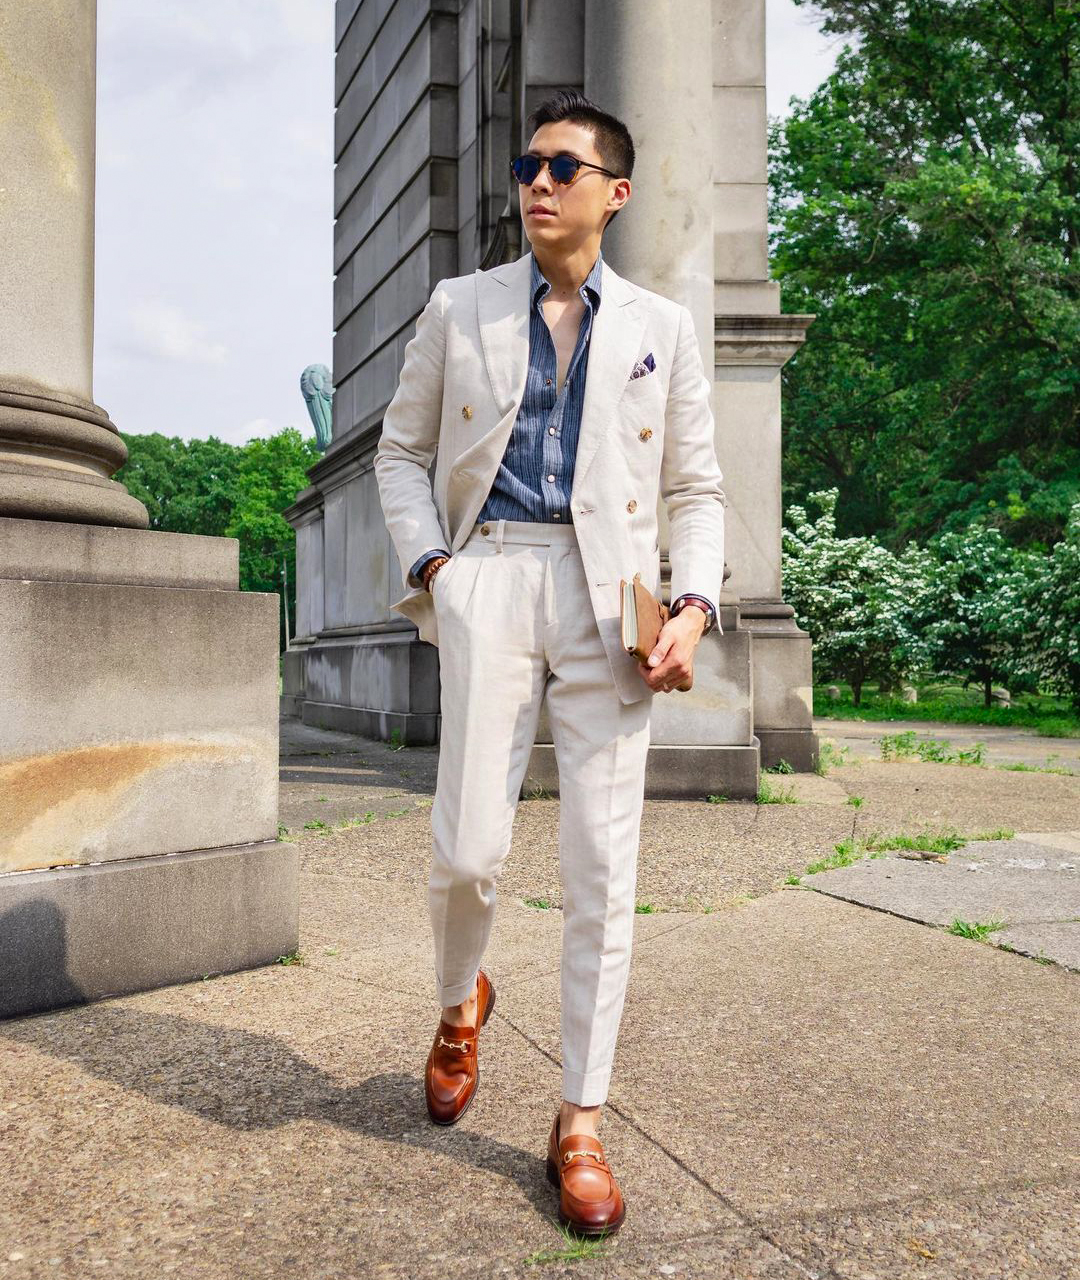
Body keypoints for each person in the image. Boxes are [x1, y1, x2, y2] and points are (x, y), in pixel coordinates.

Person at [373, 88, 725, 1237]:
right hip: (491, 577)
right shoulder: (457, 304)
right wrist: (435, 569)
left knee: (600, 869)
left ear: (613, 194)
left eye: (562, 168)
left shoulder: (661, 329)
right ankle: (460, 995)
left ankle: (580, 1116)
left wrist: (696, 602)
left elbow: (694, 489)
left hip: (609, 601)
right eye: (528, 165)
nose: (536, 182)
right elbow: (400, 452)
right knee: (468, 847)